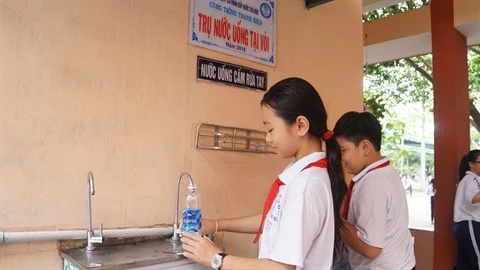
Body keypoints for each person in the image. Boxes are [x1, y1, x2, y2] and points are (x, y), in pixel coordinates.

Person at [180, 77, 347, 269]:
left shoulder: (306, 185)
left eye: (270, 129)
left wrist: (216, 258)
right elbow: (273, 218)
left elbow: (281, 267)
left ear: (300, 125)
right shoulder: (300, 171)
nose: (268, 138)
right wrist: (216, 224)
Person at [333, 111, 416, 270]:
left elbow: (371, 249)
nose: (340, 158)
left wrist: (334, 221)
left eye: (343, 151)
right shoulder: (385, 171)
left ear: (365, 147)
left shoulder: (373, 183)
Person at [453, 150, 480, 270]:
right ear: (471, 164)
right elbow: (473, 198)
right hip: (469, 224)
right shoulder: (471, 179)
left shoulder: (472, 179)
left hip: (465, 227)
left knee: (464, 265)